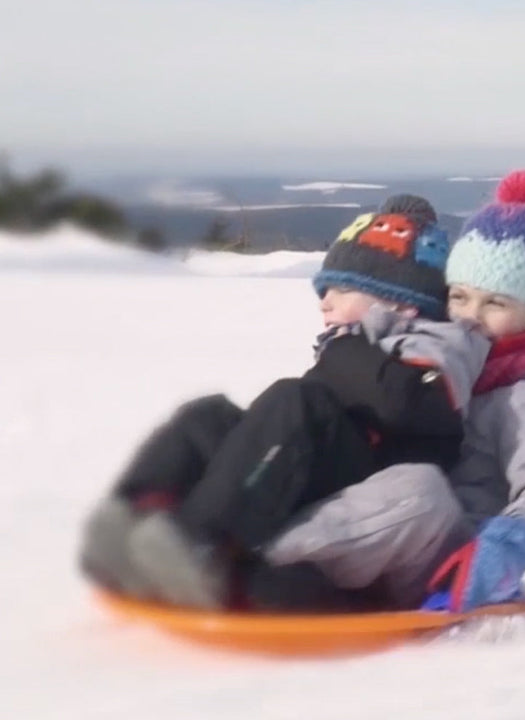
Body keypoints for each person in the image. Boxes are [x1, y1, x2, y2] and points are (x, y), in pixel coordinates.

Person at [79, 194, 489, 610]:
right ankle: (134, 519)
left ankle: (202, 548)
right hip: (330, 466)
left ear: (399, 302)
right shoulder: (356, 342)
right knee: (210, 417)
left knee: (295, 400)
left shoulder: (443, 344)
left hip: (378, 491)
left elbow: (403, 403)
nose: (324, 301)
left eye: (342, 289)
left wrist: (345, 348)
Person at [258, 170, 525, 612]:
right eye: (460, 297)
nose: (470, 316)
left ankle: (257, 561)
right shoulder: (450, 349)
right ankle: (224, 527)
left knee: (419, 490)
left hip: (447, 558)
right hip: (372, 525)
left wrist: (516, 541)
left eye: (496, 303)